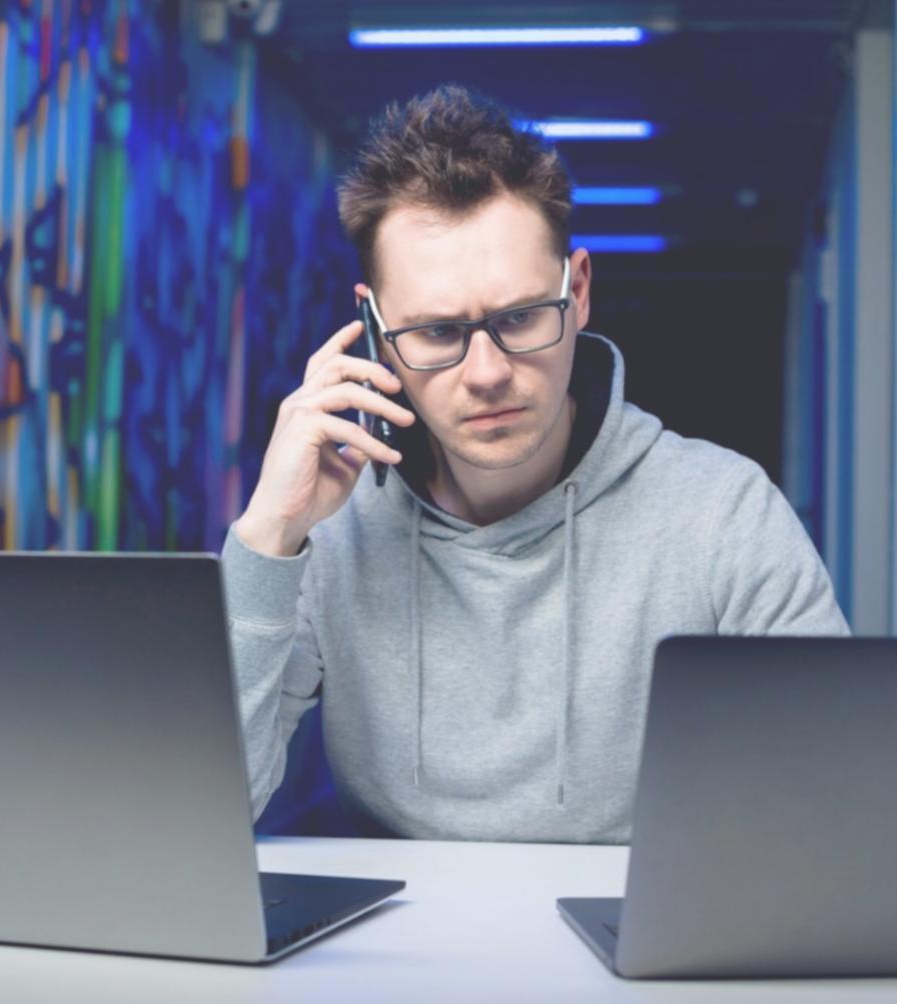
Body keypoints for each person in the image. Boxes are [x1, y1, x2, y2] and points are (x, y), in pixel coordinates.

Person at [221, 84, 847, 844]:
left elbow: (831, 804)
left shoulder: (722, 512)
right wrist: (266, 538)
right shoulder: (332, 528)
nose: (485, 372)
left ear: (577, 292)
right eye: (437, 331)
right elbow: (201, 816)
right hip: (400, 948)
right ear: (375, 329)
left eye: (519, 318)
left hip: (640, 943)